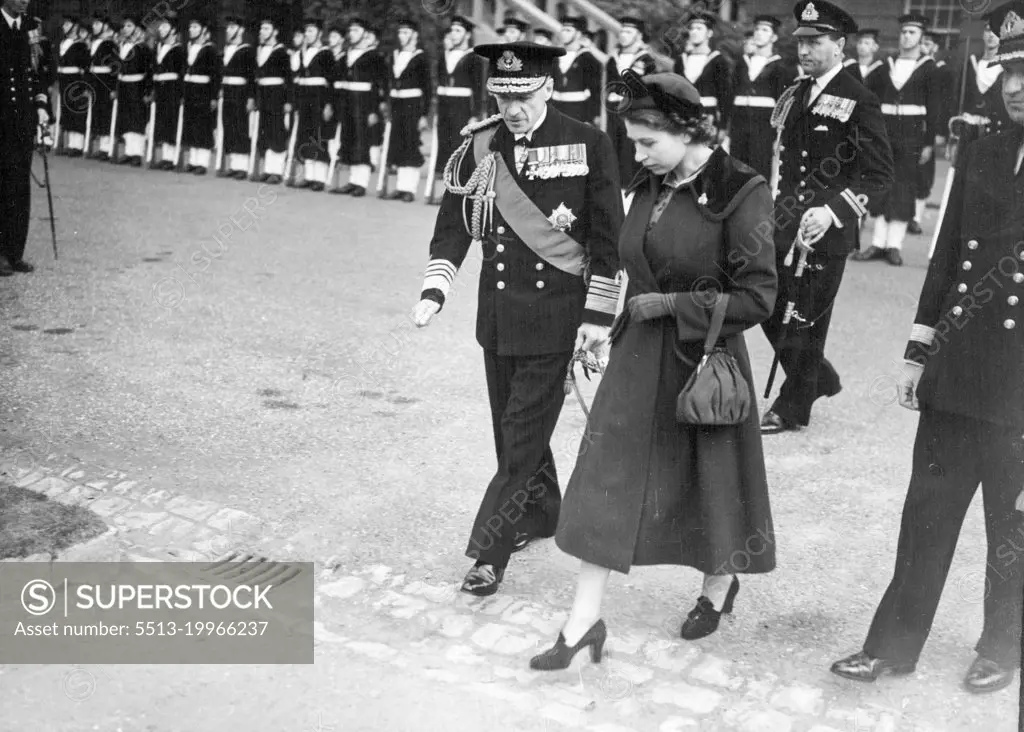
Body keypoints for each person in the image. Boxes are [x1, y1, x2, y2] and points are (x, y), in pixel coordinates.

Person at [529, 70, 777, 671]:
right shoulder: (650, 181)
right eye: (633, 143)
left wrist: (674, 305)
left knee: (709, 481)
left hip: (704, 361)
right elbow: (626, 262)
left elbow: (758, 297)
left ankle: (718, 589)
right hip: (638, 355)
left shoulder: (742, 191)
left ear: (688, 132)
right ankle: (582, 623)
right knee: (606, 481)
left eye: (647, 143)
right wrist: (597, 328)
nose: (636, 156)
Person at [830, 0, 1024, 695]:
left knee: (1013, 524)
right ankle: (893, 643)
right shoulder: (985, 149)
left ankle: (1003, 644)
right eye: (1009, 71)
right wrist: (918, 350)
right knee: (927, 513)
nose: (1016, 86)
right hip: (961, 368)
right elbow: (946, 261)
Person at [411, 42, 623, 597]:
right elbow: (455, 222)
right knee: (513, 433)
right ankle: (542, 511)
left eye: (523, 96)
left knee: (521, 439)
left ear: (548, 89)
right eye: (502, 97)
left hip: (556, 319)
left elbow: (607, 239)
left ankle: (490, 554)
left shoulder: (590, 142)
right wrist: (437, 286)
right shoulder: (481, 143)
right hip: (499, 318)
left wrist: (598, 316)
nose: (512, 109)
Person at [760, 0, 893, 435]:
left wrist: (834, 211)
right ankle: (818, 377)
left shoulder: (860, 98)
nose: (805, 50)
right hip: (784, 222)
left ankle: (793, 405)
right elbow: (787, 163)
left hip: (826, 232)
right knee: (764, 302)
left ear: (839, 45)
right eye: (801, 41)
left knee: (805, 318)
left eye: (816, 42)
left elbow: (879, 176)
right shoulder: (797, 93)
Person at [853, 14, 940, 267]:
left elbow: (934, 108)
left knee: (903, 187)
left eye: (912, 32)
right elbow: (870, 100)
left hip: (912, 136)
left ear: (921, 37)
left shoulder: (929, 68)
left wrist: (928, 143)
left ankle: (894, 245)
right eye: (904, 32)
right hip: (885, 132)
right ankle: (878, 243)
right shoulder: (884, 65)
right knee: (880, 183)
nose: (906, 36)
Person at [0, 0, 52, 277]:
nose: (24, 0)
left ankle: (14, 252)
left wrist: (42, 105)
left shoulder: (32, 28)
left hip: (23, 122)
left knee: (19, 187)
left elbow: (40, 71)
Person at [429, 16, 487, 203]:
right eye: (452, 30)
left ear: (467, 35)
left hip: (462, 108)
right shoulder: (444, 55)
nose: (454, 35)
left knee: (459, 147)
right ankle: (440, 191)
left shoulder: (474, 58)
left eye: (458, 31)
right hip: (445, 107)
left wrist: (476, 114)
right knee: (443, 147)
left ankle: (457, 192)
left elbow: (479, 89)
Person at [729, 15, 795, 179]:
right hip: (739, 125)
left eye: (765, 30)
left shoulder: (780, 66)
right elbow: (731, 95)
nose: (759, 33)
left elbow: (784, 102)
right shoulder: (741, 64)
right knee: (735, 168)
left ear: (774, 37)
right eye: (757, 29)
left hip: (764, 128)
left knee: (759, 169)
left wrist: (779, 134)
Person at [332, 17, 387, 197]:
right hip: (349, 103)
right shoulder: (348, 54)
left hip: (365, 105)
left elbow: (380, 86)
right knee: (349, 140)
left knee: (363, 142)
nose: (351, 34)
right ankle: (352, 181)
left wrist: (374, 110)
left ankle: (361, 183)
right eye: (351, 31)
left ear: (365, 34)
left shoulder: (375, 57)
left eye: (356, 31)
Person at [383, 17, 431, 203]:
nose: (401, 36)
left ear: (414, 35)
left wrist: (424, 114)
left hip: (413, 106)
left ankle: (409, 188)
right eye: (400, 32)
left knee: (411, 144)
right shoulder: (395, 54)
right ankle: (400, 187)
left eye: (405, 33)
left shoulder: (421, 57)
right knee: (398, 143)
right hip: (397, 105)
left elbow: (427, 88)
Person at [605, 16, 652, 193]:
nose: (623, 35)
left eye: (629, 32)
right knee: (612, 146)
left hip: (634, 110)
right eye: (622, 31)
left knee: (631, 148)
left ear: (639, 36)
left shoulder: (646, 59)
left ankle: (633, 186)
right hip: (613, 110)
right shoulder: (613, 58)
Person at [288, 18, 333, 192]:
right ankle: (308, 176)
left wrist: (329, 104)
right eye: (306, 32)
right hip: (304, 99)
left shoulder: (326, 53)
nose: (308, 35)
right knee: (304, 134)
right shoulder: (302, 53)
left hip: (319, 99)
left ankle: (319, 178)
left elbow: (331, 81)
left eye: (312, 31)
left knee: (318, 134)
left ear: (320, 34)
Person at [673, 12, 733, 140]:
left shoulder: (717, 61)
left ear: (709, 33)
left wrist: (722, 127)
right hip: (684, 118)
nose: (694, 32)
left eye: (699, 28)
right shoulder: (680, 61)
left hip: (708, 118)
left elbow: (725, 96)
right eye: (692, 28)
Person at [253, 17, 291, 185]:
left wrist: (288, 100)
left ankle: (277, 171)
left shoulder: (282, 52)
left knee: (277, 132)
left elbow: (288, 78)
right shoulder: (260, 50)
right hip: (263, 95)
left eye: (267, 29)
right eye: (262, 29)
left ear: (275, 32)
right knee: (265, 131)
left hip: (277, 96)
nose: (263, 32)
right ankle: (268, 169)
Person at [218, 16, 256, 180]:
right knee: (229, 126)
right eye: (228, 27)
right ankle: (233, 164)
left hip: (241, 93)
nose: (228, 30)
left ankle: (242, 166)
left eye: (233, 27)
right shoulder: (226, 49)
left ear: (241, 30)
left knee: (240, 127)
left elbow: (252, 76)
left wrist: (250, 98)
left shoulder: (247, 50)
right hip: (227, 92)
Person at [111, 16, 151, 167]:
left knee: (137, 119)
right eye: (124, 26)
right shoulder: (122, 46)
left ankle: (137, 154)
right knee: (125, 118)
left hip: (137, 86)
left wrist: (147, 91)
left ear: (137, 29)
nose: (125, 29)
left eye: (129, 26)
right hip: (124, 86)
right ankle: (128, 151)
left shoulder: (143, 47)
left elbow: (148, 71)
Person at [181, 16, 219, 175]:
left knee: (203, 126)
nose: (192, 30)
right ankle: (193, 160)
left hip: (204, 91)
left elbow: (216, 75)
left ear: (204, 30)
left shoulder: (210, 49)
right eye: (191, 27)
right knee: (191, 124)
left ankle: (202, 162)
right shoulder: (189, 47)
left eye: (196, 27)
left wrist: (213, 96)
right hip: (190, 90)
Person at [551, 16, 601, 126]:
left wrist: (592, 116)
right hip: (555, 111)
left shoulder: (587, 58)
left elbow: (595, 90)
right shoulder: (554, 56)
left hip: (578, 111)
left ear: (578, 34)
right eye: (563, 30)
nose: (563, 33)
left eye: (568, 30)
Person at [150, 13, 184, 171]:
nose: (161, 29)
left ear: (173, 29)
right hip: (160, 89)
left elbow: (182, 73)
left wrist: (182, 94)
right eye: (161, 26)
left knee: (171, 122)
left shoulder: (179, 50)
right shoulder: (158, 47)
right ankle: (165, 157)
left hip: (172, 90)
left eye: (165, 26)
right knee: (162, 122)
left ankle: (171, 158)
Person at [56, 15, 90, 157]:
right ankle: (69, 143)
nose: (64, 27)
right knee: (66, 110)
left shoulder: (81, 45)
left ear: (75, 27)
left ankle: (77, 145)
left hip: (76, 80)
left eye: (67, 24)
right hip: (64, 79)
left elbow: (86, 66)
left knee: (76, 110)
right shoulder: (63, 42)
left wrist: (85, 85)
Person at [87, 14, 118, 160]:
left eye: (98, 24)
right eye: (94, 24)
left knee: (105, 113)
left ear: (105, 27)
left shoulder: (110, 44)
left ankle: (105, 148)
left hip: (105, 82)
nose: (94, 27)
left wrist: (113, 88)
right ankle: (99, 146)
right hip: (95, 81)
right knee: (97, 113)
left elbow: (114, 67)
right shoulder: (94, 43)